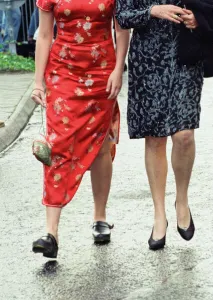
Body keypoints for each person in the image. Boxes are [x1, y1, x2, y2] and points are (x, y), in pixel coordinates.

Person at [31, 0, 129, 258]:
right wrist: (38, 82)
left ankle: (100, 217)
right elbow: (43, 35)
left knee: (99, 146)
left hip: (102, 74)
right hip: (62, 74)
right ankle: (51, 233)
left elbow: (121, 29)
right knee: (58, 144)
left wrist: (119, 69)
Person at [116, 1, 202, 250]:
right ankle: (159, 213)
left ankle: (182, 200)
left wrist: (199, 17)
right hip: (147, 59)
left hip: (185, 55)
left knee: (184, 134)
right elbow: (122, 16)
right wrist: (152, 11)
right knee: (154, 137)